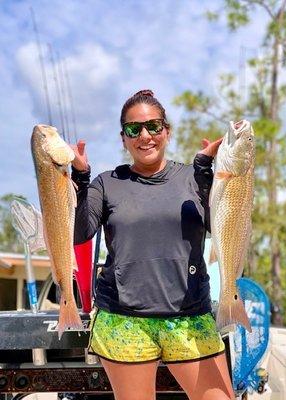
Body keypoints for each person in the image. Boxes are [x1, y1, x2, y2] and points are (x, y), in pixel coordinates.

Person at [71, 90, 235, 400]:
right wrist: (80, 178)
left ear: (167, 131)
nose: (145, 135)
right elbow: (80, 233)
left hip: (188, 317)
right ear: (124, 138)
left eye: (154, 126)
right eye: (134, 129)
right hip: (123, 320)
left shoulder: (192, 177)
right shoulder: (107, 183)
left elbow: (221, 227)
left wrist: (204, 172)